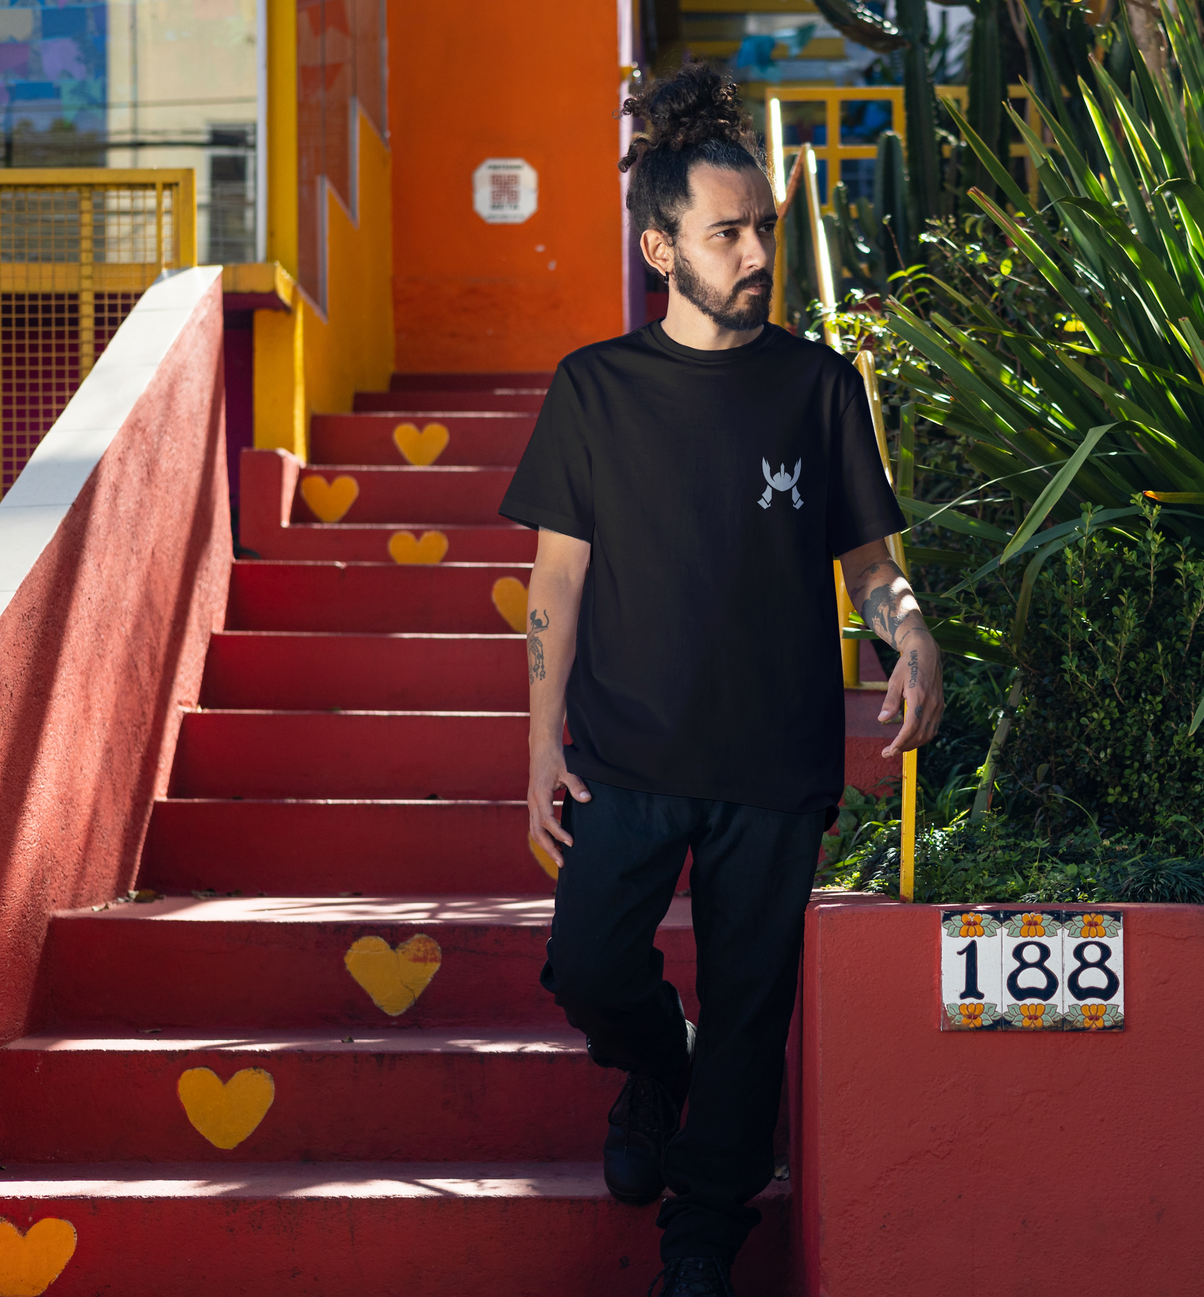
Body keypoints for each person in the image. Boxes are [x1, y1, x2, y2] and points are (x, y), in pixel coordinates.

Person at [497, 62, 944, 1297]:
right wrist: (539, 747)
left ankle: (702, 1232)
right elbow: (556, 582)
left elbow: (871, 568)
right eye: (727, 234)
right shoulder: (594, 389)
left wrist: (910, 630)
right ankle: (654, 1061)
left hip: (773, 760)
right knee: (591, 965)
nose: (757, 255)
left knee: (752, 1007)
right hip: (625, 756)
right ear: (660, 249)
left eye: (765, 229)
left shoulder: (818, 388)